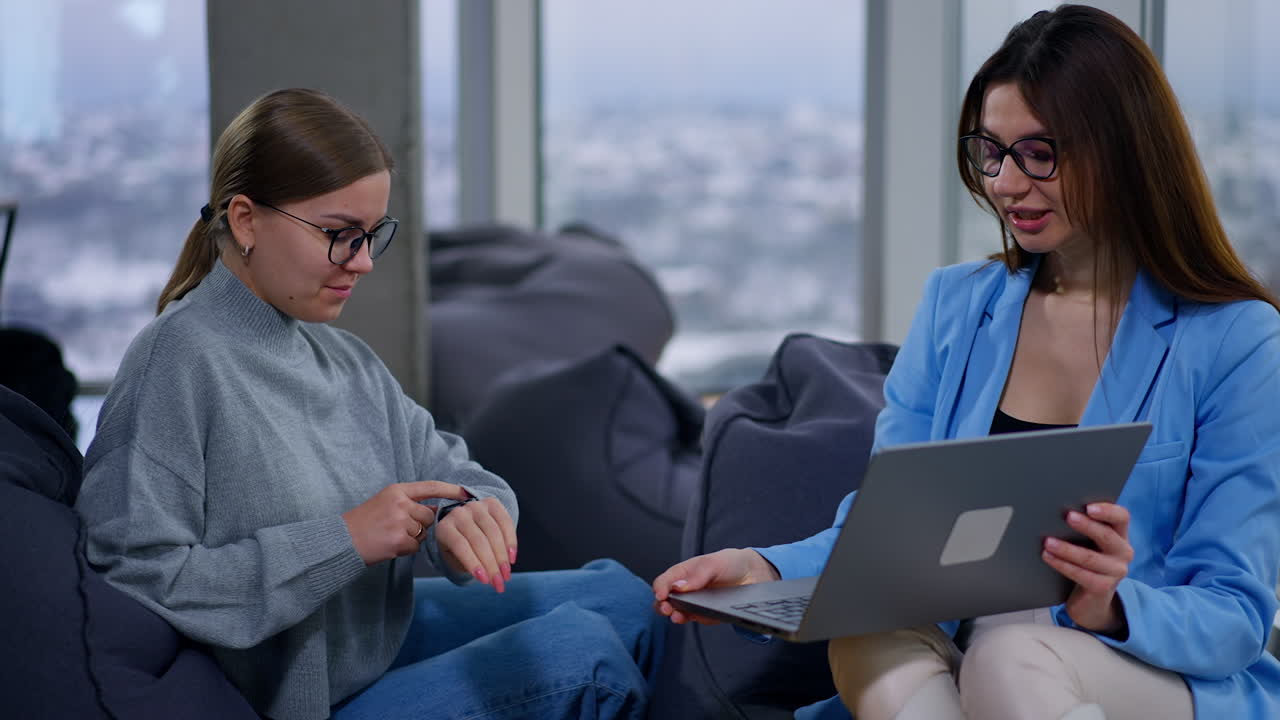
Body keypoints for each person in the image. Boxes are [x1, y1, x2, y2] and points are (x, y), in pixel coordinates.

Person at [654, 5, 1280, 720]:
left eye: (1040, 153)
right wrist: (762, 570)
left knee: (1010, 655)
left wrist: (1110, 604)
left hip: (1134, 666)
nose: (1007, 184)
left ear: (1125, 150)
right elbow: (888, 535)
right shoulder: (956, 307)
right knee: (869, 638)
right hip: (961, 670)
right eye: (992, 151)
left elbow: (1236, 613)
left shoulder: (1234, 339)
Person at [76, 88, 662, 720]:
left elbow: (452, 472)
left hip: (361, 649)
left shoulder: (342, 360)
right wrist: (346, 539)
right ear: (245, 220)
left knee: (625, 598)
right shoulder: (176, 362)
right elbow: (131, 578)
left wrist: (463, 514)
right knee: (585, 659)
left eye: (371, 236)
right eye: (338, 235)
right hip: (293, 702)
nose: (361, 263)